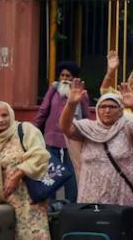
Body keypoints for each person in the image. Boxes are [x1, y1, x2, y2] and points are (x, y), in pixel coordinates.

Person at [60, 79, 133, 206]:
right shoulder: (88, 128)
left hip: (121, 196)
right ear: (97, 110)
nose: (107, 110)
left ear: (120, 110)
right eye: (103, 106)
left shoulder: (126, 126)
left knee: (120, 225)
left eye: (112, 106)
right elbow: (65, 128)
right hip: (90, 196)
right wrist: (71, 104)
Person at [0, 102, 51, 240]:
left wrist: (17, 175)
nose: (1, 119)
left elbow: (40, 156)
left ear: (11, 115)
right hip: (3, 208)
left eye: (4, 115)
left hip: (29, 204)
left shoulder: (26, 130)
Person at [33, 60, 91, 202]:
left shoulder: (81, 94)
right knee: (51, 173)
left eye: (68, 76)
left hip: (72, 140)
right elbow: (43, 110)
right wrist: (32, 130)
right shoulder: (53, 90)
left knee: (71, 174)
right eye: (62, 75)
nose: (64, 79)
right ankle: (50, 204)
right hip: (51, 139)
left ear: (74, 78)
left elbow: (86, 116)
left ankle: (71, 206)